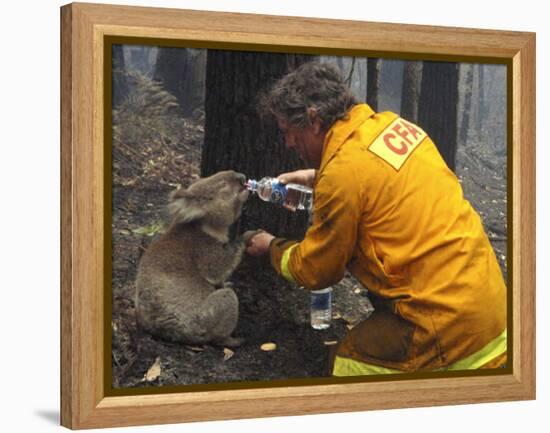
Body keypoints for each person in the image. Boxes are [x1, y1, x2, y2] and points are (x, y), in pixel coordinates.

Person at [246, 62, 507, 376]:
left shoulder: (342, 176)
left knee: (347, 364)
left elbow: (317, 270)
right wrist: (316, 177)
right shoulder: (393, 127)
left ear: (314, 121)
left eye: (289, 132)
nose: (288, 143)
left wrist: (271, 246)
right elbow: (373, 178)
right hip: (492, 310)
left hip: (446, 329)